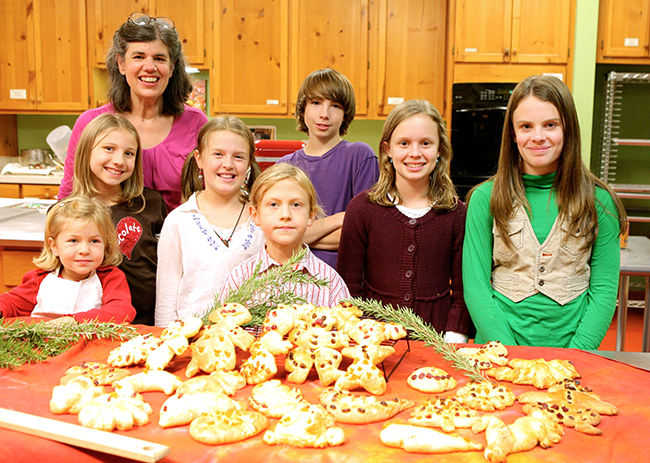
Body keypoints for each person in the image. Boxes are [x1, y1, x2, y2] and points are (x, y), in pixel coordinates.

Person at [462, 75, 628, 350]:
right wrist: (508, 352)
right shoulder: (484, 199)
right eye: (526, 126)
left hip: (573, 353)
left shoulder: (598, 202)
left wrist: (578, 355)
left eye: (550, 125)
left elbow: (604, 291)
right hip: (498, 353)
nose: (538, 137)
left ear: (568, 129)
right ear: (513, 134)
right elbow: (476, 286)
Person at [337, 100, 471, 341]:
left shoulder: (456, 213)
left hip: (438, 339)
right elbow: (349, 288)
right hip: (373, 340)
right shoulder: (362, 209)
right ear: (388, 149)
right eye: (404, 143)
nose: (415, 153)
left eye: (426, 143)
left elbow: (463, 290)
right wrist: (357, 335)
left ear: (440, 150)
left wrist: (454, 337)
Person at [59, 12, 208, 212]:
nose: (149, 67)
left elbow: (211, 194)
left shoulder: (196, 123)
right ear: (121, 63)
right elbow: (68, 198)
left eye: (159, 58)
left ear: (172, 67)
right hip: (108, 239)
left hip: (179, 241)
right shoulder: (91, 123)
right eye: (138, 57)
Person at [155, 116, 265, 327]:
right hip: (192, 342)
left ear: (249, 163)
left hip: (251, 340)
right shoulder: (178, 222)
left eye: (238, 157)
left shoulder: (261, 218)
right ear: (199, 158)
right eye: (218, 154)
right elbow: (166, 301)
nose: (228, 164)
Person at [276, 68, 379, 270]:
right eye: (316, 103)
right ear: (303, 108)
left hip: (345, 279)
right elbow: (278, 235)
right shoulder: (284, 166)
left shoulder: (360, 156)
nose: (324, 114)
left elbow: (363, 233)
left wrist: (301, 235)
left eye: (335, 105)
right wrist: (341, 218)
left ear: (345, 113)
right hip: (293, 280)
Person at [71, 113, 167, 325]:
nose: (118, 161)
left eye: (129, 153)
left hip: (146, 322)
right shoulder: (67, 212)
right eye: (109, 149)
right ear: (87, 151)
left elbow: (166, 265)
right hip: (87, 325)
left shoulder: (151, 203)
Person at [220, 163, 351, 307]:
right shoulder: (239, 280)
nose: (285, 215)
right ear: (255, 215)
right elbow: (224, 326)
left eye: (296, 205)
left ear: (311, 215)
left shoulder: (331, 282)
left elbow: (345, 326)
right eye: (273, 205)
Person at [0, 196, 135, 323]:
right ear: (54, 246)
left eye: (94, 241)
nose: (84, 250)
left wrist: (72, 321)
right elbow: (11, 303)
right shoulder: (39, 280)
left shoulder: (110, 278)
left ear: (106, 244)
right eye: (73, 240)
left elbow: (121, 311)